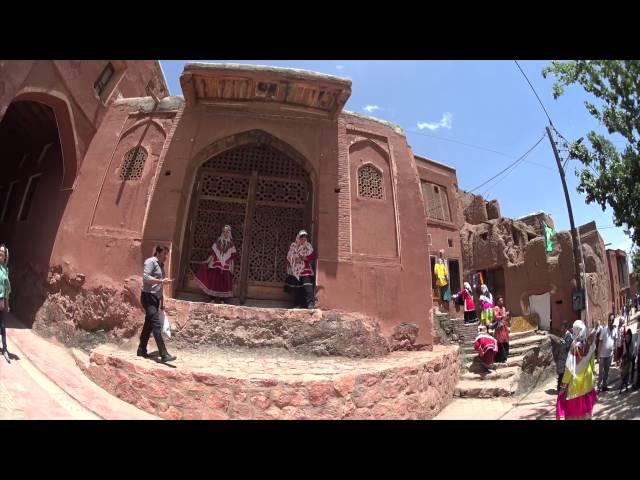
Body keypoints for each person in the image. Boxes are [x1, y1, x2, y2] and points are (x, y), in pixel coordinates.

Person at [137, 245, 176, 363]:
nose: (166, 257)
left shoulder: (161, 266)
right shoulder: (150, 262)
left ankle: (141, 349)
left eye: (166, 254)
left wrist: (162, 301)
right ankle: (164, 354)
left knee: (148, 324)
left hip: (156, 298)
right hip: (148, 297)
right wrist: (161, 281)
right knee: (155, 324)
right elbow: (146, 277)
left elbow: (160, 286)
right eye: (164, 254)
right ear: (158, 253)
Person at [556, 320, 598, 420]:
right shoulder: (590, 345)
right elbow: (592, 364)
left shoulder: (574, 347)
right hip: (587, 384)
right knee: (586, 414)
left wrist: (563, 386)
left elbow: (569, 369)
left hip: (575, 387)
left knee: (574, 416)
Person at [194, 225, 237, 303]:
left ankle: (222, 299)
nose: (225, 233)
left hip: (226, 266)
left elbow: (232, 256)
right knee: (214, 281)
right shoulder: (218, 241)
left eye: (227, 232)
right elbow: (213, 253)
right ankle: (212, 298)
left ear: (229, 233)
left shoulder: (231, 244)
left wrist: (232, 268)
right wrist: (207, 261)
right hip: (216, 264)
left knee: (224, 282)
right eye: (224, 231)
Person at [285, 230, 315, 309]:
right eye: (302, 237)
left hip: (306, 270)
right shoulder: (293, 246)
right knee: (296, 288)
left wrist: (302, 258)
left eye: (305, 237)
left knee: (308, 287)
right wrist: (295, 259)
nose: (303, 239)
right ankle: (297, 304)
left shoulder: (308, 246)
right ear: (298, 237)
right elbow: (289, 257)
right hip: (295, 270)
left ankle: (310, 304)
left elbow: (311, 256)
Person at [596, 313, 618, 392]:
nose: (611, 322)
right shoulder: (604, 329)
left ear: (613, 321)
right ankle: (599, 387)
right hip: (602, 355)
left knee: (607, 372)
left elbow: (615, 342)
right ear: (607, 320)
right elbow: (600, 343)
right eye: (609, 320)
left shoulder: (615, 330)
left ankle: (604, 386)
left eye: (612, 320)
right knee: (601, 373)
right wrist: (598, 356)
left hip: (610, 355)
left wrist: (615, 354)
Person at [0, 245, 12, 363]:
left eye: (2, 252)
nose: (0, 253)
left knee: (3, 326)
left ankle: (4, 349)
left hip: (2, 301)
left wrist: (7, 304)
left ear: (5, 256)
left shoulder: (5, 270)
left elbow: (7, 288)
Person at [556, 321, 573, 392]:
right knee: (561, 374)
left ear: (566, 328)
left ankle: (560, 390)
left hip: (565, 359)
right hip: (562, 359)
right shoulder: (564, 335)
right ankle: (560, 389)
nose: (561, 329)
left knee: (562, 375)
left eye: (562, 328)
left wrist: (561, 343)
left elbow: (567, 346)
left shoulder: (569, 336)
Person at [492, 296, 510, 362]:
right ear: (497, 302)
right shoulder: (496, 308)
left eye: (502, 300)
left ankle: (505, 356)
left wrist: (506, 315)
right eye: (500, 300)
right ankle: (500, 358)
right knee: (500, 341)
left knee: (505, 340)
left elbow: (505, 317)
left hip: (504, 326)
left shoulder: (504, 308)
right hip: (499, 327)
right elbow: (496, 317)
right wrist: (503, 316)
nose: (502, 301)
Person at [619, 328, 634, 394]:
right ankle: (623, 386)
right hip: (624, 360)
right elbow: (621, 352)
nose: (627, 338)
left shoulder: (632, 344)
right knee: (623, 374)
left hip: (628, 361)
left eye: (629, 337)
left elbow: (631, 353)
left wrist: (629, 356)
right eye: (627, 337)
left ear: (630, 337)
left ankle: (625, 386)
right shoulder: (623, 343)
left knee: (627, 374)